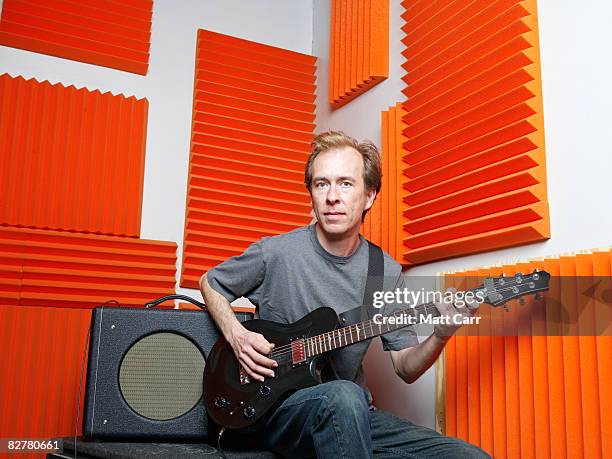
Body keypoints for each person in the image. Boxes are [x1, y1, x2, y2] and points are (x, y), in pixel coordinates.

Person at [200, 131, 491, 458]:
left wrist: (439, 336)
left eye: (346, 183)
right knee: (343, 395)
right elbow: (210, 282)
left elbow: (405, 367)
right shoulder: (277, 252)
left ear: (369, 196)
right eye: (321, 184)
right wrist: (237, 335)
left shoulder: (383, 272)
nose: (332, 196)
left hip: (353, 413)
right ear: (311, 192)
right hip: (278, 409)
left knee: (470, 457)